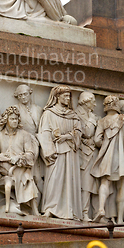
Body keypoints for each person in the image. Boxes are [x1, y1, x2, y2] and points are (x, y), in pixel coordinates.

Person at [37, 85, 83, 220]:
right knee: (54, 179)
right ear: (57, 97)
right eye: (65, 95)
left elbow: (78, 131)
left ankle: (70, 210)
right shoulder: (49, 113)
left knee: (70, 179)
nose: (68, 98)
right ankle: (50, 208)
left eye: (69, 96)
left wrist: (67, 136)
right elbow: (44, 132)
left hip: (70, 152)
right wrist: (49, 151)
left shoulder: (73, 115)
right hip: (55, 152)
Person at [91, 95, 124, 224]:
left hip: (107, 157)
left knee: (105, 182)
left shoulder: (102, 121)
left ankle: (101, 209)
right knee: (122, 187)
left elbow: (96, 141)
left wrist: (105, 143)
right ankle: (120, 219)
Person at [75, 91, 99, 221]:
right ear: (85, 101)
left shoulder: (91, 115)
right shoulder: (77, 114)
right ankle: (81, 213)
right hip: (80, 155)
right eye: (93, 101)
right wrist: (92, 120)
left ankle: (87, 212)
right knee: (82, 185)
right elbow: (87, 132)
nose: (95, 104)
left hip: (90, 155)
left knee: (89, 186)